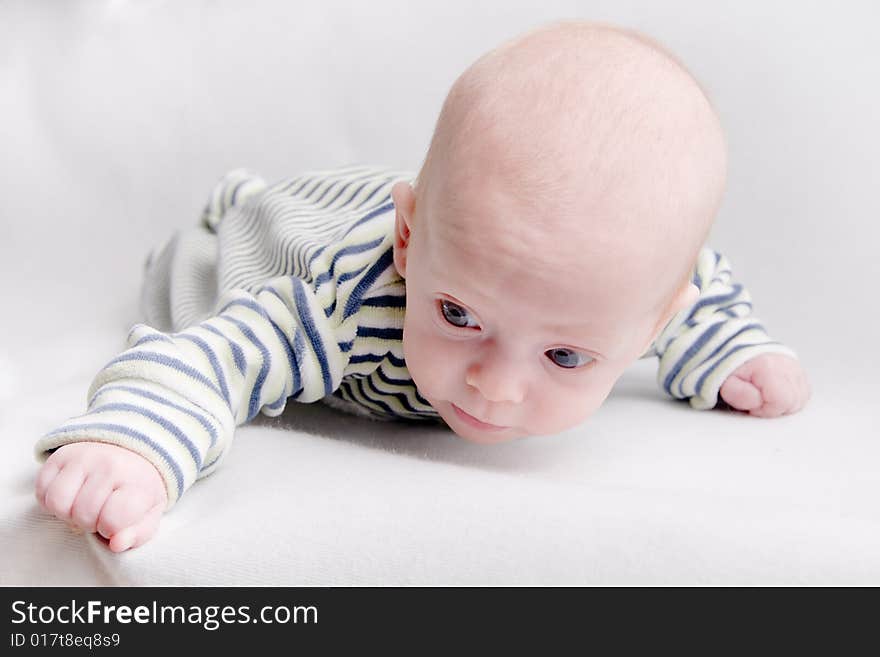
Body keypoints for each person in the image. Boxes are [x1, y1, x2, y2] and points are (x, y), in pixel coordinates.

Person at [33, 20, 810, 553]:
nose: (495, 385)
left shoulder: (619, 283)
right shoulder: (343, 308)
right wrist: (132, 449)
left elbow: (698, 290)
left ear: (647, 325)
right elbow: (213, 354)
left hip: (419, 211)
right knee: (186, 280)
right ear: (409, 246)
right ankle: (243, 203)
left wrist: (731, 350)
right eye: (459, 313)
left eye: (566, 357)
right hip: (272, 241)